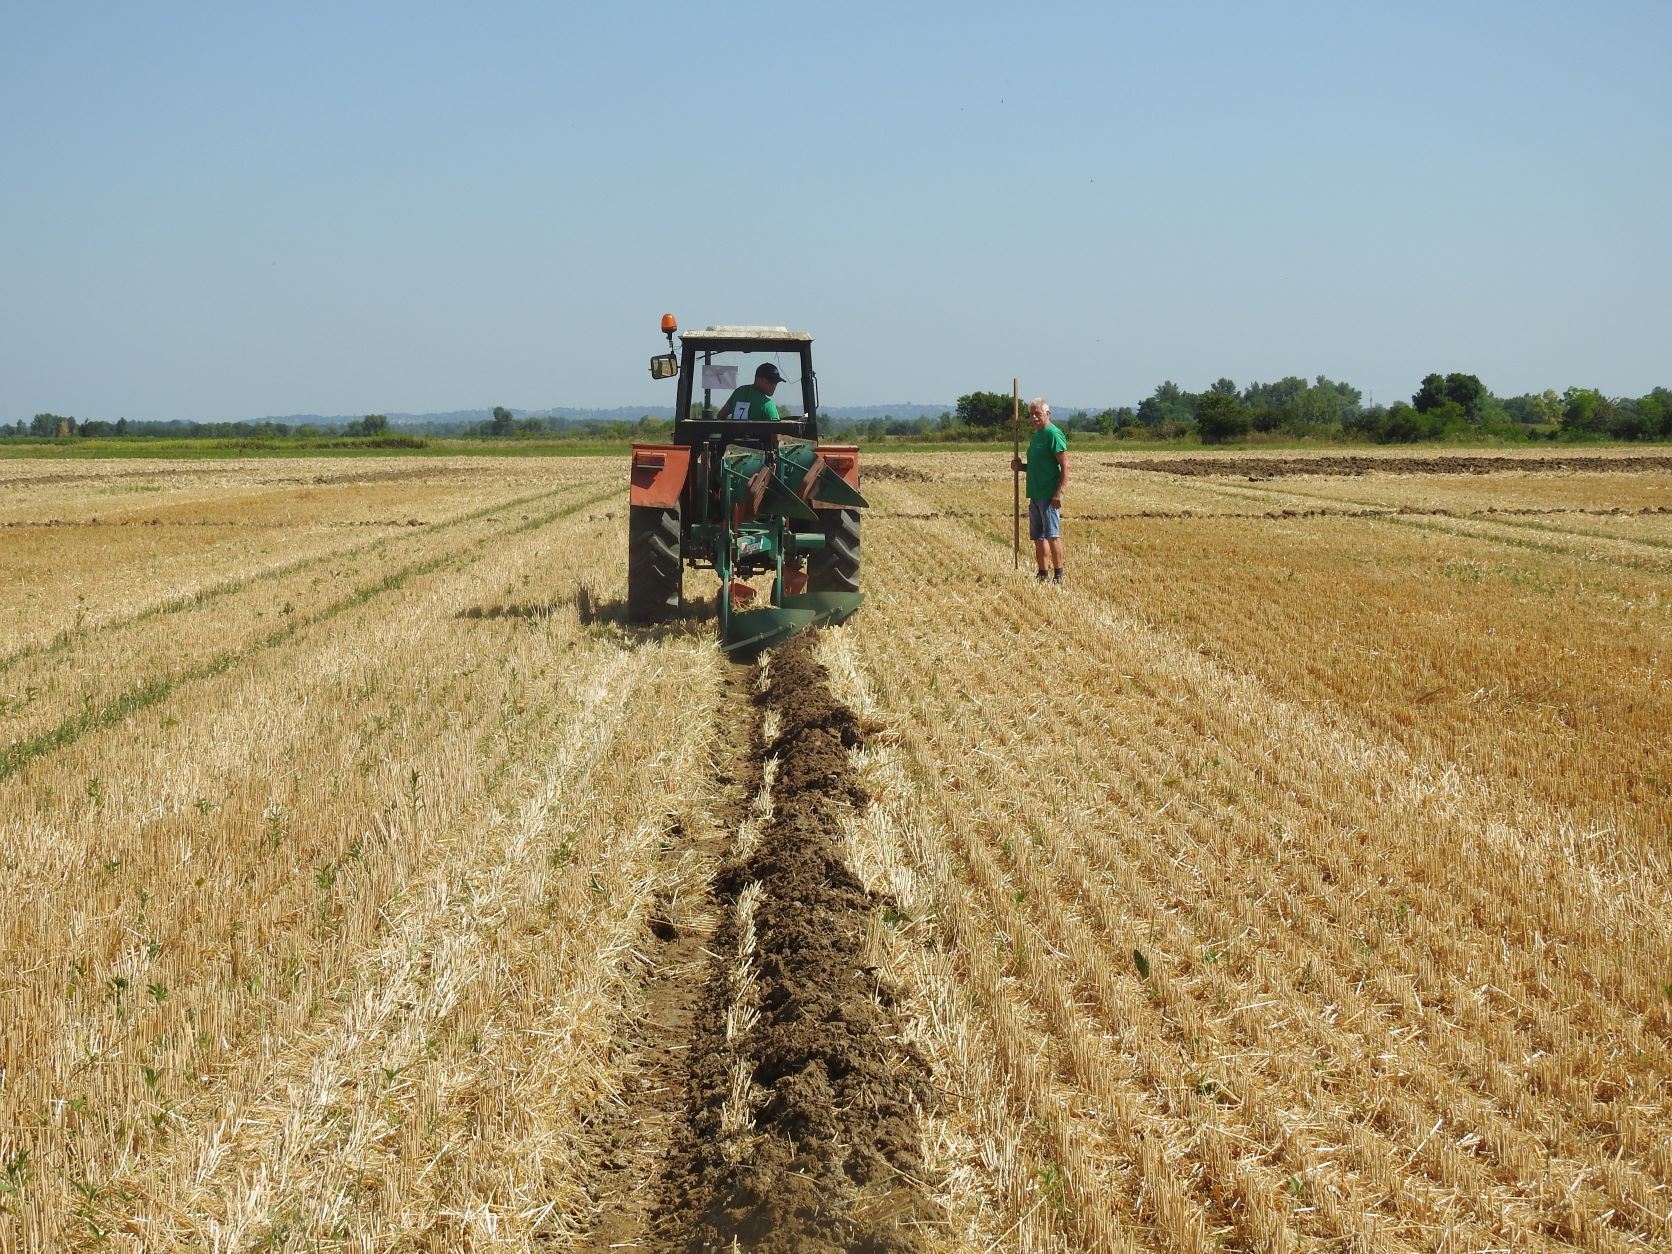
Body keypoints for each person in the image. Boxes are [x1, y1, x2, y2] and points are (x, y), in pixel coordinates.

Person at [1010, 397, 1069, 583]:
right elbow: (1037, 466)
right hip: (1034, 494)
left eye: (1038, 413)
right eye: (1031, 414)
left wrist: (1059, 493)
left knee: (1052, 536)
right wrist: (1020, 467)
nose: (1034, 417)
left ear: (1047, 413)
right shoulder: (1036, 436)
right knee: (1038, 537)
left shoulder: (1053, 434)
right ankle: (1042, 573)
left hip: (1049, 495)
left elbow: (1066, 466)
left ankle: (1058, 574)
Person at [717, 363, 784, 421]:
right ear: (759, 380)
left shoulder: (739, 392)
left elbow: (720, 416)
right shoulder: (768, 405)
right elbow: (777, 431)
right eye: (771, 382)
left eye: (776, 382)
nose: (774, 386)